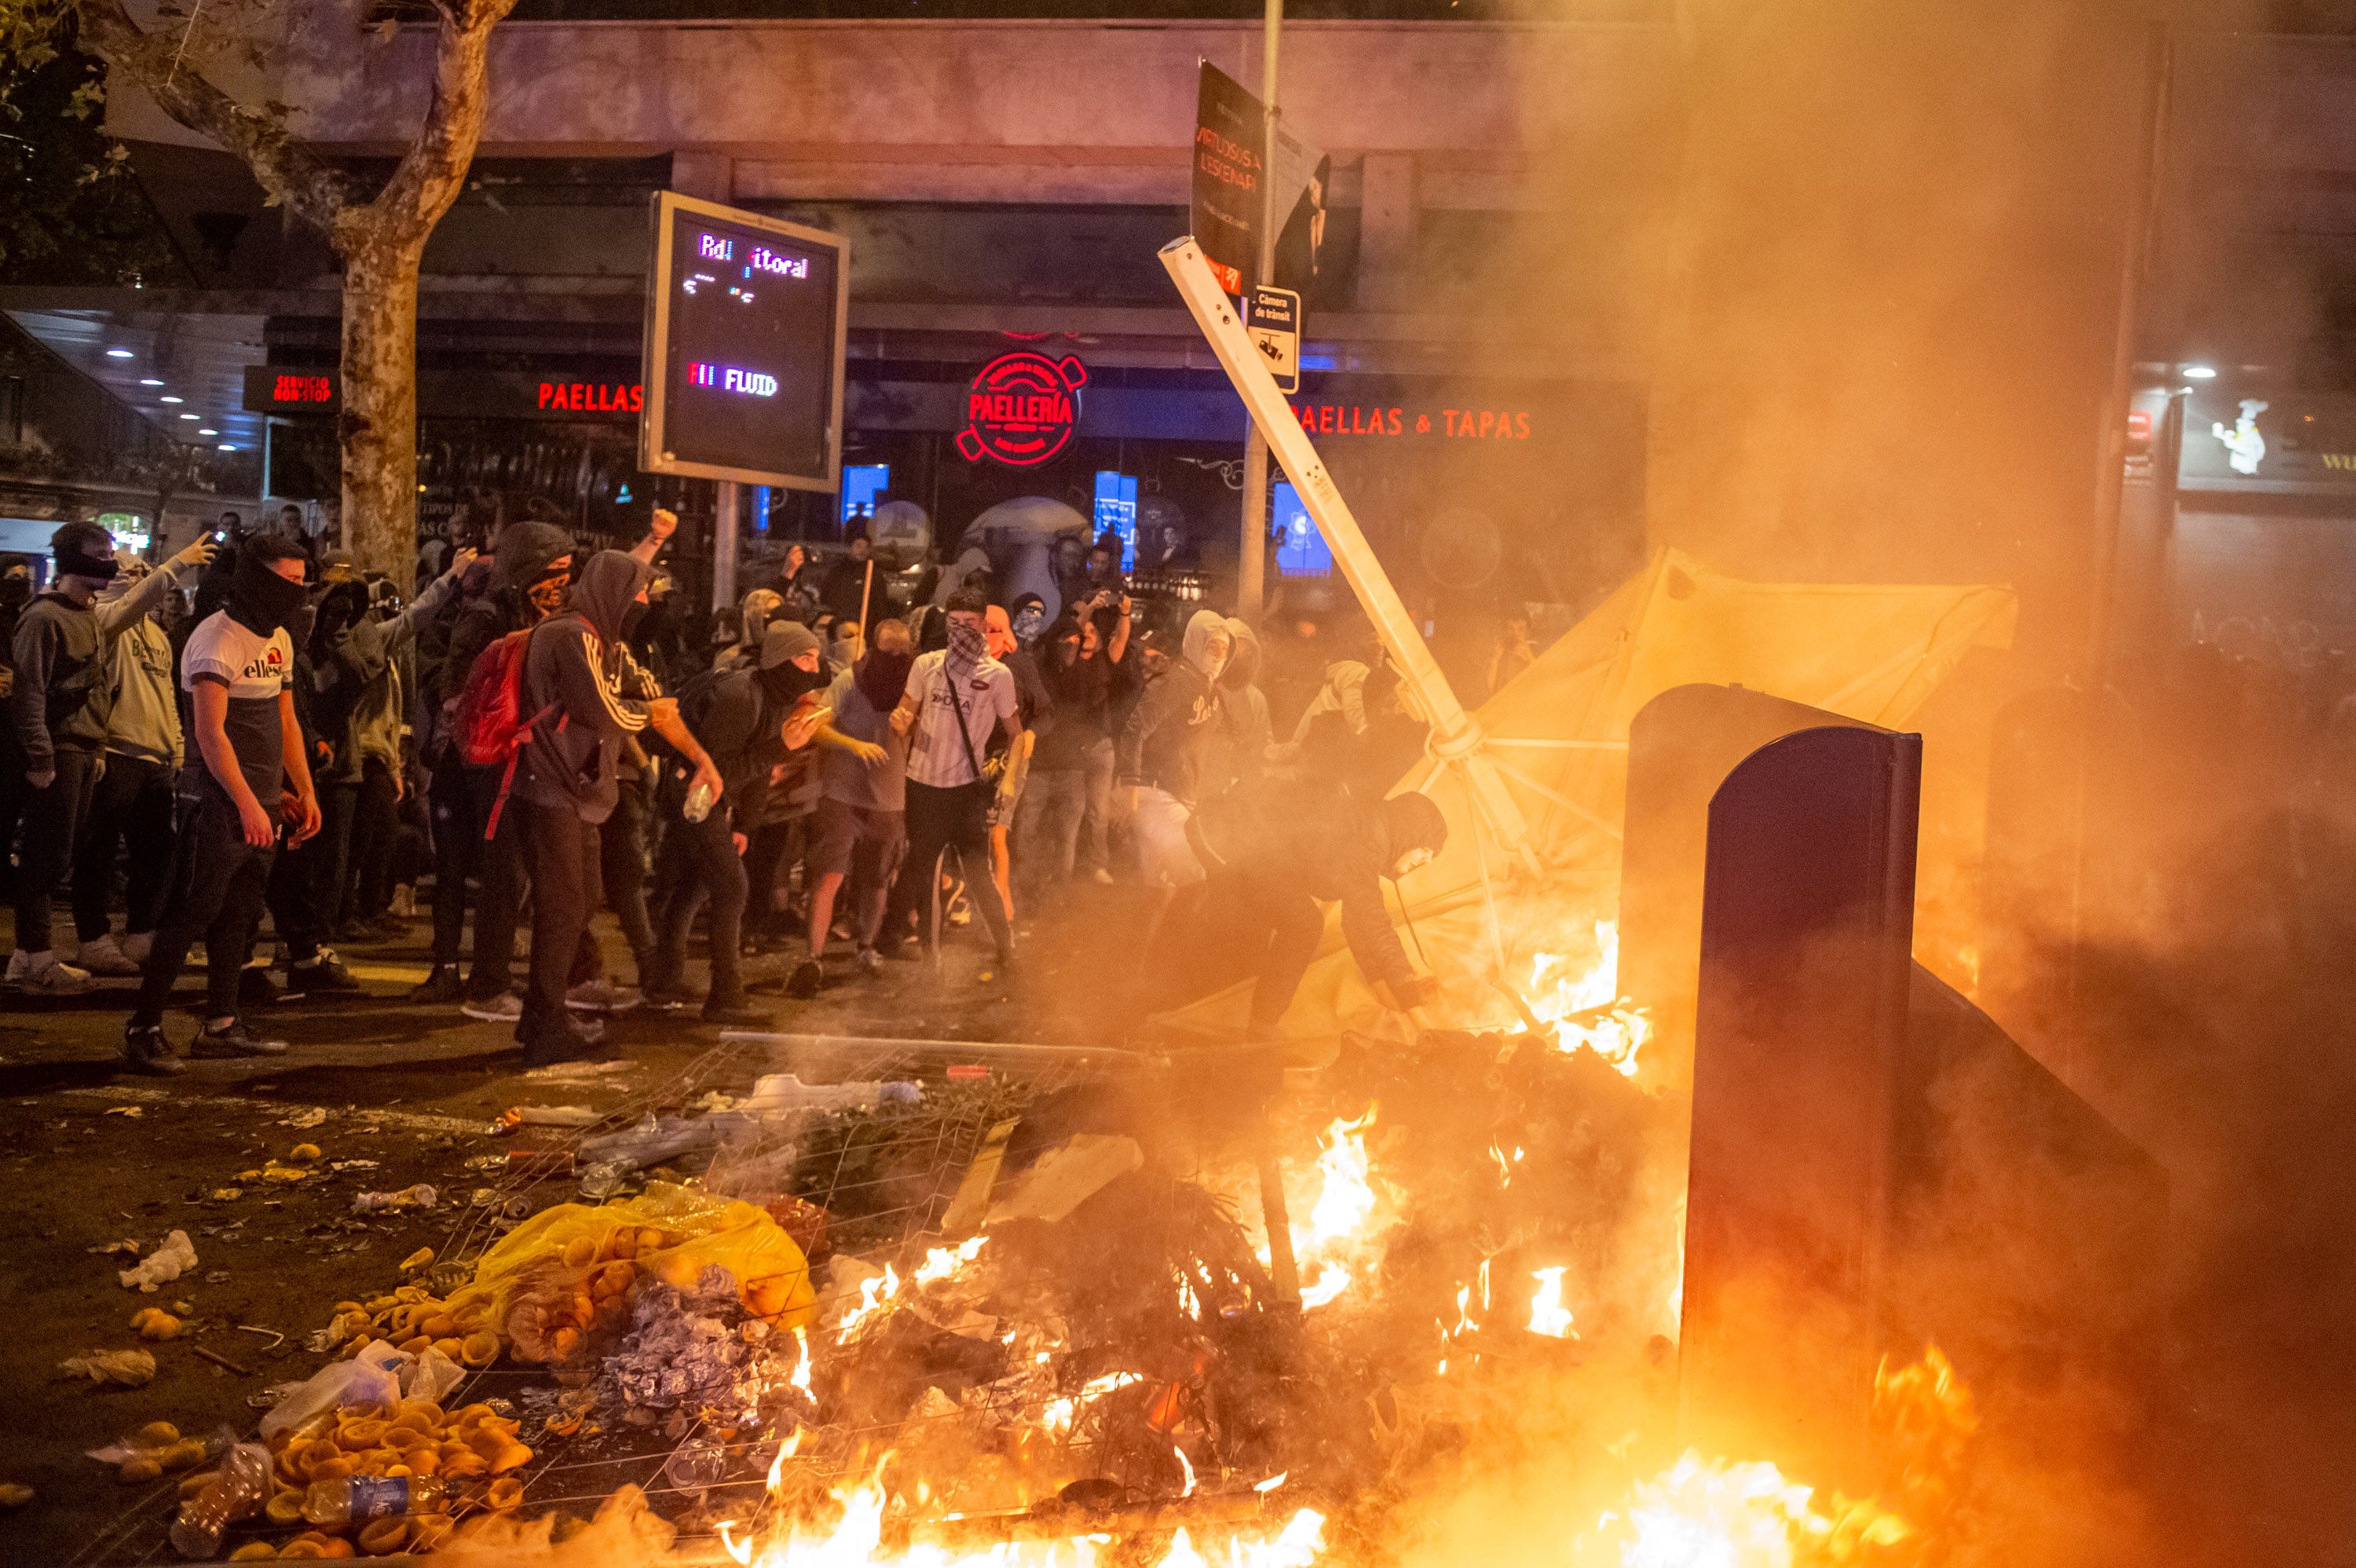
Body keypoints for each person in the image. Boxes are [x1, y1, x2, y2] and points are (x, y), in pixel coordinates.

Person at [507, 550, 719, 1062]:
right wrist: (648, 712)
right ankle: (543, 1027)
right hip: (547, 787)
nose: (644, 604)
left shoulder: (610, 646)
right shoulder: (570, 637)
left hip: (578, 793)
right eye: (638, 595)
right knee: (561, 908)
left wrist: (702, 761)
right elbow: (601, 710)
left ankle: (542, 1014)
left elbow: (656, 702)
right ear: (613, 593)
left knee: (581, 900)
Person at [123, 534, 321, 1073]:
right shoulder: (216, 637)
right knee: (191, 914)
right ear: (257, 578)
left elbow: (285, 722)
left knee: (239, 917)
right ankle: (144, 1027)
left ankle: (222, 1023)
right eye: (289, 581)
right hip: (215, 803)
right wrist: (246, 802)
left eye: (304, 583)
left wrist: (302, 789)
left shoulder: (278, 638)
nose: (297, 593)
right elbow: (210, 734)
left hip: (259, 803)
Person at [7, 523, 210, 992]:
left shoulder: (87, 618)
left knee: (60, 855)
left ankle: (27, 956)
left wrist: (97, 748)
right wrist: (41, 758)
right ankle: (36, 955)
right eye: (100, 553)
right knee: (48, 857)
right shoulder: (46, 618)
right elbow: (30, 694)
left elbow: (96, 693)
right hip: (59, 750)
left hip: (85, 749)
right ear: (71, 559)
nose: (111, 560)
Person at [646, 620, 825, 1019]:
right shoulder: (740, 696)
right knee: (731, 887)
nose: (813, 667)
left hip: (706, 797)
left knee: (693, 888)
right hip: (692, 793)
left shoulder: (777, 697)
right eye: (804, 656)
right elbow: (718, 769)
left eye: (815, 656)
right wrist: (782, 746)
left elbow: (758, 769)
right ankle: (724, 995)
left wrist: (746, 824)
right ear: (780, 659)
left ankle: (664, 981)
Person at [1191, 785, 1447, 1047]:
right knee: (1301, 925)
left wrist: (1385, 990)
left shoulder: (1372, 835)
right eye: (1426, 850)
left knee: (1301, 923)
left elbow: (1357, 922)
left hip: (1260, 854)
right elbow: (1373, 922)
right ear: (1409, 835)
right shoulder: (1366, 840)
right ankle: (1251, 1028)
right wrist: (1420, 1018)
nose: (1426, 860)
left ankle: (1256, 1025)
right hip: (1229, 838)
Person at [879, 590, 1023, 977]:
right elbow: (907, 709)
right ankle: (933, 962)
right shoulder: (927, 665)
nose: (961, 632)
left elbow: (1017, 734)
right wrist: (900, 721)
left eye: (970, 624)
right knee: (925, 870)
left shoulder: (997, 675)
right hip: (923, 785)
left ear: (982, 625)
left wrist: (1009, 781)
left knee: (978, 869)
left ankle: (1005, 943)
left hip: (966, 788)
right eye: (954, 624)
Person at [71, 549, 198, 975]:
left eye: (145, 572)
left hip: (156, 756)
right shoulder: (106, 623)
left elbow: (166, 695)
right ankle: (93, 938)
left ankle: (141, 933)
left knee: (157, 853)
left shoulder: (158, 635)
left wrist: (176, 747)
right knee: (98, 851)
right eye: (132, 573)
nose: (142, 579)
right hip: (117, 752)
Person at [803, 617, 913, 989]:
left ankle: (866, 946)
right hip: (843, 795)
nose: (895, 659)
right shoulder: (851, 679)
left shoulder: (914, 687)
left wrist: (909, 726)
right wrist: (854, 745)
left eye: (902, 653)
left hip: (889, 799)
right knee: (831, 874)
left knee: (877, 879)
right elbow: (815, 726)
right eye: (888, 652)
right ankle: (812, 956)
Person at [1115, 609, 1231, 892]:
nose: (1218, 655)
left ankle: (1140, 935)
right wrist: (1130, 784)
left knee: (1159, 888)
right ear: (1195, 642)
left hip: (1180, 793)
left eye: (1225, 649)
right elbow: (1134, 729)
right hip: (1157, 794)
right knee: (1195, 878)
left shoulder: (1209, 686)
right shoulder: (1175, 680)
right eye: (1212, 646)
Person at [822, 529, 891, 634]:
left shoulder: (874, 575)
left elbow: (881, 607)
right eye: (858, 546)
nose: (862, 550)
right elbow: (825, 598)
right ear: (850, 547)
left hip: (864, 630)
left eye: (866, 547)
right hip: (838, 629)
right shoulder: (837, 572)